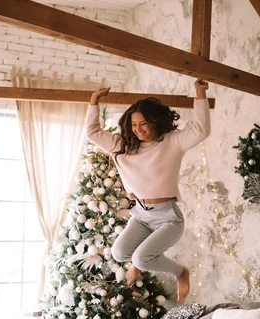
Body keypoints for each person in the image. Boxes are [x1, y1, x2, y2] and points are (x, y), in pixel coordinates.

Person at [86, 79, 211, 301]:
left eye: (143, 123)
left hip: (168, 217)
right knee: (119, 252)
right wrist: (94, 101)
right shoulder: (122, 146)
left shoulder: (172, 142)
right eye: (134, 125)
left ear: (154, 121)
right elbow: (93, 132)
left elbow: (201, 129)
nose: (138, 130)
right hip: (141, 216)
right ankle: (137, 262)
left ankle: (181, 272)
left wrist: (199, 94)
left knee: (142, 259)